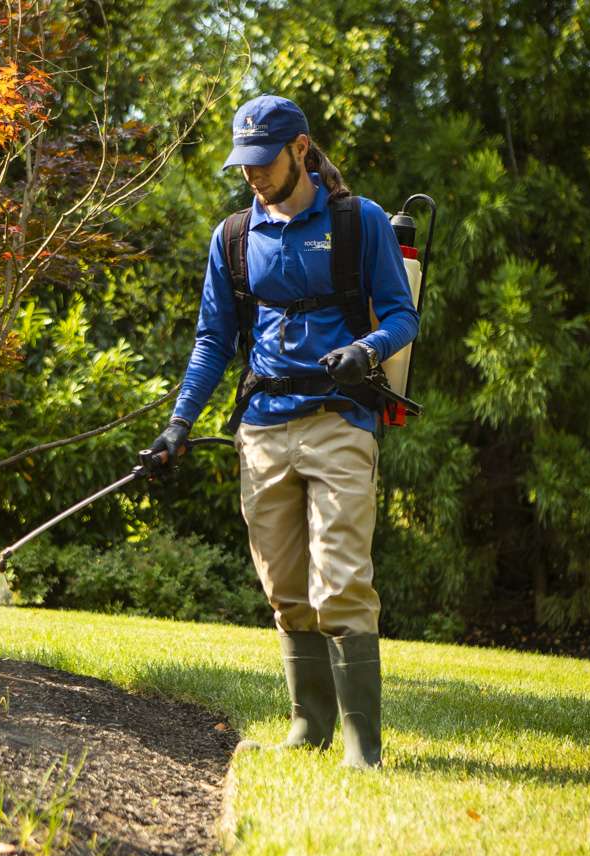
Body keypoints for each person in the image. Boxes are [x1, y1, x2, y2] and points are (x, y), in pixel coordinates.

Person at [145, 95, 418, 767]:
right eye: (244, 164)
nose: (253, 175)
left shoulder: (362, 222)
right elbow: (213, 340)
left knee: (342, 582)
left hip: (338, 421)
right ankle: (310, 726)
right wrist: (179, 424)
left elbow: (402, 315)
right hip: (263, 430)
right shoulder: (234, 237)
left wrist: (368, 348)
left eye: (264, 162)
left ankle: (363, 745)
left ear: (299, 150)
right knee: (286, 589)